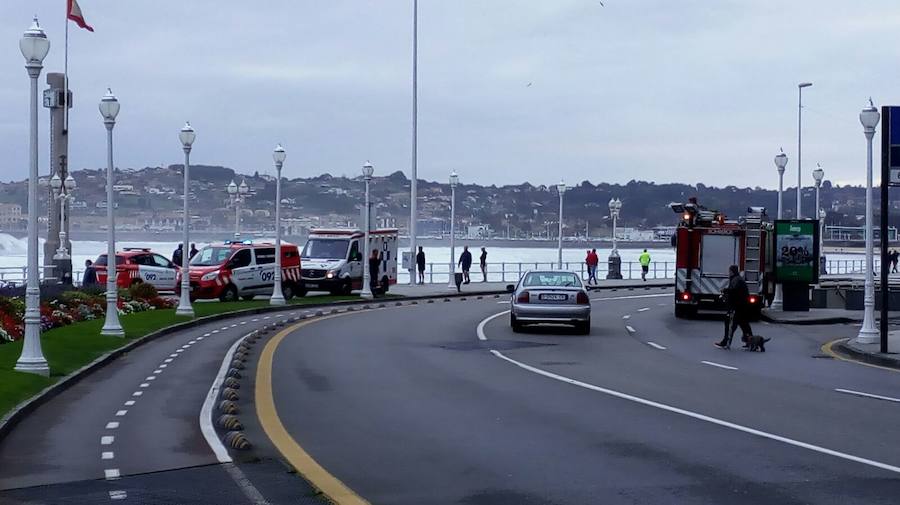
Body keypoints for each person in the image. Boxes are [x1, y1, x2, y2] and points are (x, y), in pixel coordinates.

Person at [716, 265, 754, 349]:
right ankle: (750, 342)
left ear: (732, 272)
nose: (728, 273)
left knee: (730, 324)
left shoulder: (736, 280)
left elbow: (734, 292)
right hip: (742, 306)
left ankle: (726, 342)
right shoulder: (737, 279)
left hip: (737, 307)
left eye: (729, 271)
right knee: (744, 324)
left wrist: (725, 291)